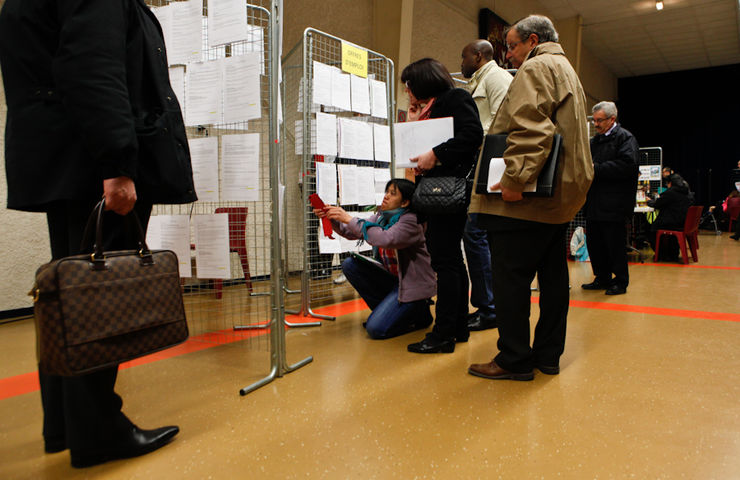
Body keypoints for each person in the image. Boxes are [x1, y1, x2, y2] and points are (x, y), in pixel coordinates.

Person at [0, 0, 196, 468]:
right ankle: (98, 429)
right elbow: (93, 65)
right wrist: (117, 164)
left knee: (70, 295)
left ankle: (66, 424)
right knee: (100, 303)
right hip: (94, 164)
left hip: (65, 158)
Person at [467, 15, 594, 380]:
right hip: (557, 197)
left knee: (510, 279)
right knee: (553, 278)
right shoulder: (566, 68)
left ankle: (514, 359)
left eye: (511, 46)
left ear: (532, 40)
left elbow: (531, 129)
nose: (508, 55)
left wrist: (514, 179)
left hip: (527, 200)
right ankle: (548, 356)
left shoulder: (537, 67)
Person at [401, 58, 483, 354]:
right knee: (451, 261)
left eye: (409, 85)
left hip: (448, 192)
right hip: (437, 193)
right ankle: (457, 327)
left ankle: (443, 334)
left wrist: (435, 154)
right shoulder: (431, 107)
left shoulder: (455, 98)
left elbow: (474, 135)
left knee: (445, 262)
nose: (407, 91)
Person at [315, 179, 436, 339]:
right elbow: (352, 231)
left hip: (410, 286)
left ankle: (419, 312)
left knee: (375, 330)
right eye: (386, 191)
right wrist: (332, 218)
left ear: (405, 202)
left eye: (392, 194)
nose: (386, 196)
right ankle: (389, 313)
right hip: (393, 281)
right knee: (350, 265)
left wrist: (348, 218)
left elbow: (386, 238)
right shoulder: (381, 217)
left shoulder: (411, 221)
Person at [459, 39, 513, 331]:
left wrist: (471, 140)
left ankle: (490, 309)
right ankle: (489, 306)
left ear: (478, 56)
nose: (461, 63)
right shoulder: (479, 81)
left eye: (464, 57)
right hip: (481, 165)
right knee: (477, 235)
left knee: (476, 233)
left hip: (490, 166)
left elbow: (501, 124)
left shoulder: (497, 78)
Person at [581, 101, 639, 296]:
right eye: (594, 120)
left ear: (612, 119)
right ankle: (602, 277)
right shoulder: (594, 141)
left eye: (599, 121)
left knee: (614, 244)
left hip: (615, 204)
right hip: (594, 202)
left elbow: (627, 166)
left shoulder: (625, 139)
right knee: (595, 244)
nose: (596, 125)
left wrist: (596, 169)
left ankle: (620, 281)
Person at [647, 174, 691, 259]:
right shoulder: (685, 192)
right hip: (681, 222)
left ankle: (661, 254)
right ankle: (672, 253)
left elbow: (657, 204)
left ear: (670, 183)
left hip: (671, 222)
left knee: (651, 230)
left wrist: (649, 201)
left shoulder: (670, 193)